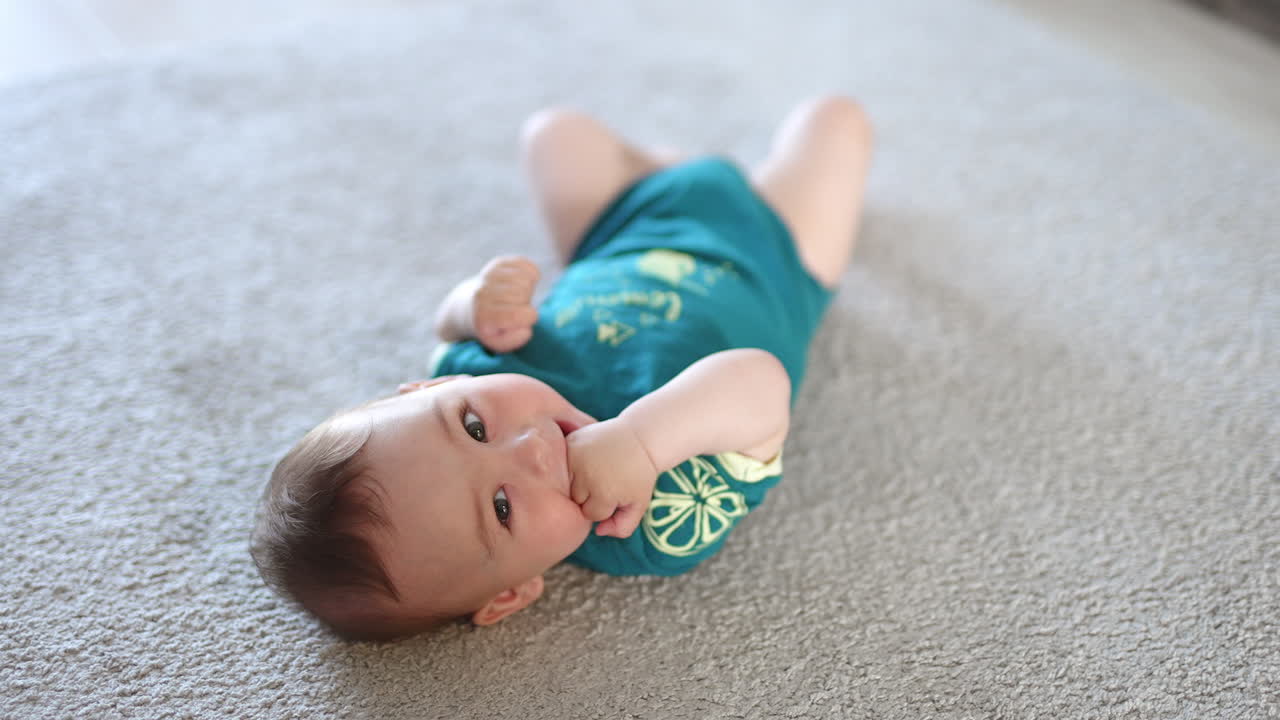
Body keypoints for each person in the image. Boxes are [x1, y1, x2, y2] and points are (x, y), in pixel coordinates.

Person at [250, 96, 873, 641]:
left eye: (472, 427)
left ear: (435, 386)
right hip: (774, 257)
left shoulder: (474, 367)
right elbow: (762, 384)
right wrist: (642, 443)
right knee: (835, 122)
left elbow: (448, 331)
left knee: (554, 134)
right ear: (510, 593)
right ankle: (727, 172)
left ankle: (659, 165)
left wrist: (471, 305)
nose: (527, 449)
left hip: (622, 229)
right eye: (501, 507)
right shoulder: (650, 526)